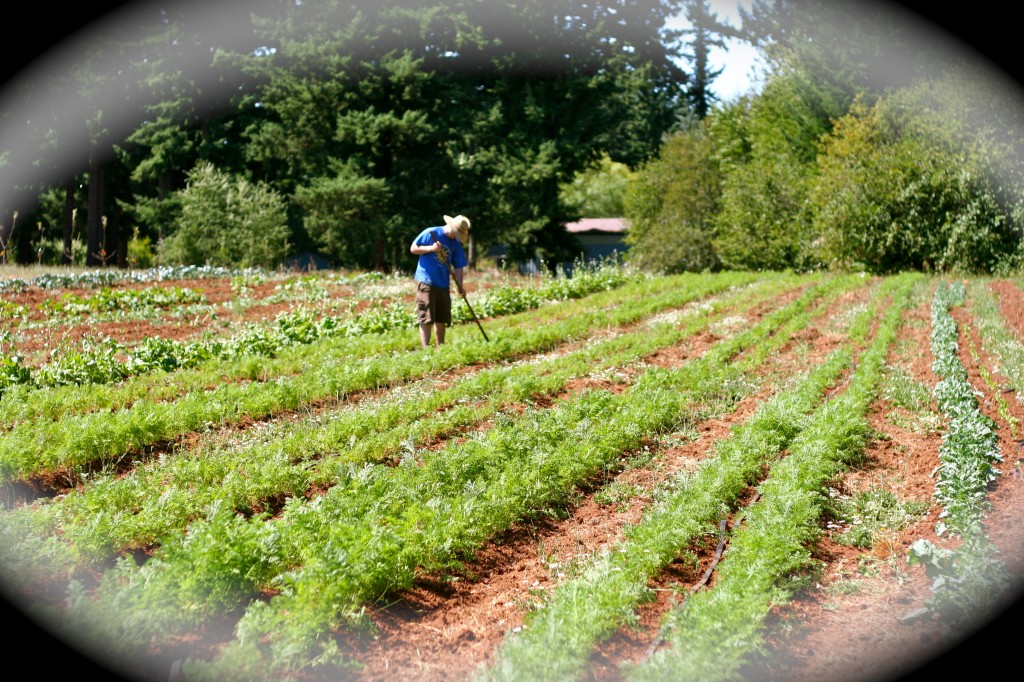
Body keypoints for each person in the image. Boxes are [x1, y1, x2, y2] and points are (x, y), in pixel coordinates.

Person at [410, 213, 471, 348]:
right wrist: (431, 248)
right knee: (426, 318)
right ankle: (427, 350)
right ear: (450, 227)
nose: (456, 237)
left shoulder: (455, 243)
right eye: (455, 233)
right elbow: (413, 248)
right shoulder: (431, 232)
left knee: (441, 318)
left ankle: (440, 349)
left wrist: (460, 286)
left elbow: (459, 265)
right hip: (427, 280)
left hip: (443, 284)